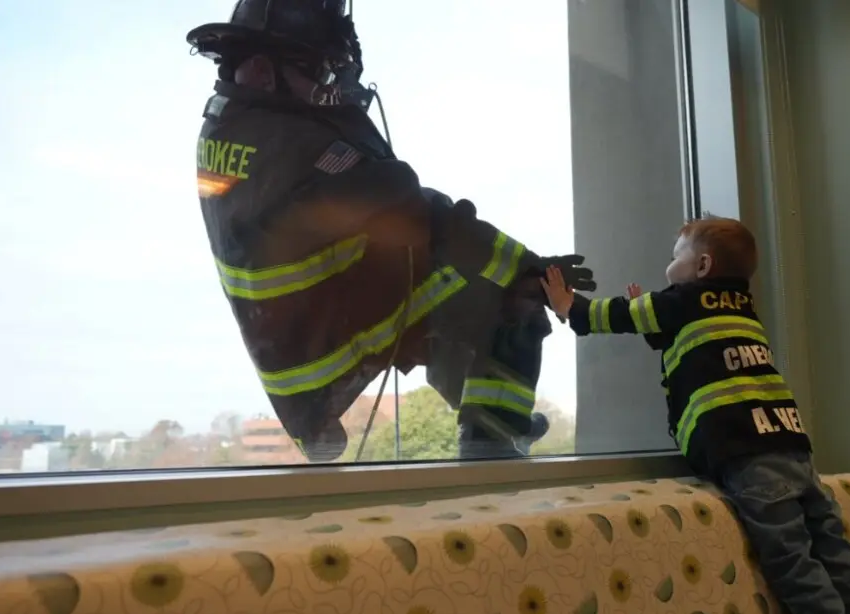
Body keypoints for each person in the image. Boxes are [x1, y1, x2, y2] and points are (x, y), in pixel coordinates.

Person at [539, 215, 850, 614]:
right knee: (835, 554)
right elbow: (683, 341)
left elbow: (613, 316)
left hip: (746, 454)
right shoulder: (741, 308)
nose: (667, 264)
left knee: (795, 567)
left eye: (676, 254)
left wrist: (572, 308)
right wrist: (651, 316)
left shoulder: (681, 300)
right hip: (791, 445)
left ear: (701, 266)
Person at [186, 0, 596, 462]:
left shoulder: (230, 130)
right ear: (262, 70)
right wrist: (531, 265)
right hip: (330, 340)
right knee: (512, 295)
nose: (330, 86)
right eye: (318, 71)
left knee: (457, 279)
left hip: (302, 337)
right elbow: (425, 215)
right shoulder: (304, 149)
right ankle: (493, 443)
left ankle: (489, 426)